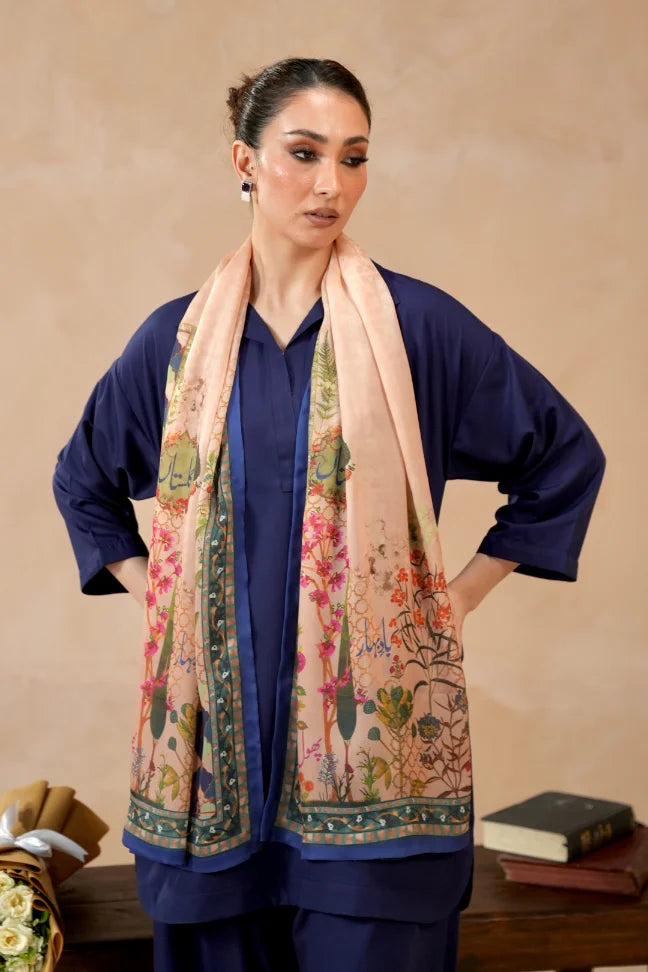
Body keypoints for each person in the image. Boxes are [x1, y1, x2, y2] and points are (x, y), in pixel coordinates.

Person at [53, 57, 605, 972]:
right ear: (245, 161)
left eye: (354, 158)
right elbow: (85, 482)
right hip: (206, 799)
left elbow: (563, 456)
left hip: (376, 821)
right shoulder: (175, 343)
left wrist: (457, 597)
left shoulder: (417, 330)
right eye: (303, 153)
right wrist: (164, 598)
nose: (330, 183)